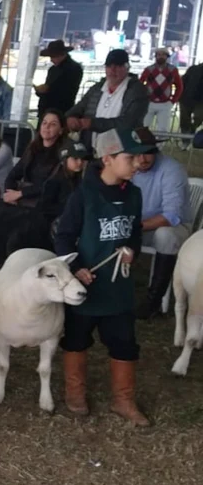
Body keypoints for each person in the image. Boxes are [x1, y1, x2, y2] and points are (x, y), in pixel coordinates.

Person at [56, 128, 149, 427]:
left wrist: (132, 251)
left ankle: (123, 400)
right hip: (86, 286)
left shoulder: (134, 194)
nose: (138, 163)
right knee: (76, 340)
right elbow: (64, 237)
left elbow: (134, 232)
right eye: (130, 157)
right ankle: (75, 393)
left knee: (124, 342)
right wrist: (76, 267)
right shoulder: (84, 195)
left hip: (118, 288)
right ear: (107, 159)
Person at [129, 126, 192, 320]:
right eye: (137, 153)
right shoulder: (127, 166)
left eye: (148, 152)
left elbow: (172, 216)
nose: (143, 159)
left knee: (165, 234)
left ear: (155, 150)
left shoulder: (171, 170)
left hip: (174, 226)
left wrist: (134, 227)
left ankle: (153, 301)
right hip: (137, 224)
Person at [66, 49, 148, 150]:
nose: (112, 70)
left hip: (122, 150)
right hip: (92, 148)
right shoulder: (97, 88)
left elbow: (128, 123)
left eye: (117, 66)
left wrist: (92, 123)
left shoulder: (137, 90)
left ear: (127, 67)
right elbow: (79, 108)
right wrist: (71, 117)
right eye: (109, 66)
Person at [3, 110, 63, 206]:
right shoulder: (33, 149)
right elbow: (13, 174)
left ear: (61, 130)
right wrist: (9, 194)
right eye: (44, 123)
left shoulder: (62, 154)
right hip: (24, 199)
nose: (47, 127)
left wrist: (20, 194)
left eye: (53, 124)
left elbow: (51, 185)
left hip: (45, 203)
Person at [37, 136, 91, 226]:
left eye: (82, 159)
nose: (80, 162)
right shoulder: (54, 181)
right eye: (75, 158)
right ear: (64, 159)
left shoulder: (80, 179)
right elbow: (45, 207)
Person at [35, 40, 84, 118]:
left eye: (53, 56)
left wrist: (45, 90)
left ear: (61, 55)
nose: (51, 60)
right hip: (49, 109)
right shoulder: (53, 69)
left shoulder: (73, 69)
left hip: (60, 109)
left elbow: (67, 92)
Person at [139, 47, 183, 132]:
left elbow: (179, 86)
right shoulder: (148, 70)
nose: (161, 57)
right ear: (155, 56)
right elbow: (139, 85)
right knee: (143, 127)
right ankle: (143, 145)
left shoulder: (173, 70)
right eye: (158, 55)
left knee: (163, 130)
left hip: (165, 103)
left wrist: (172, 101)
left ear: (167, 57)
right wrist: (142, 99)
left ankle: (160, 146)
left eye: (163, 55)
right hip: (149, 102)